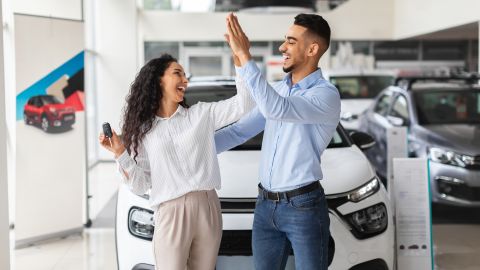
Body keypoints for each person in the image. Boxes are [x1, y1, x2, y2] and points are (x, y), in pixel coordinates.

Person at [99, 54, 254, 270]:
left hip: (207, 205)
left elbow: (244, 105)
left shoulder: (201, 114)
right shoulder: (143, 132)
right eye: (177, 73)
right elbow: (141, 185)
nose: (185, 80)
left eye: (184, 74)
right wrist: (120, 153)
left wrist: (240, 62)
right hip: (171, 211)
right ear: (158, 80)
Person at [215, 13, 341, 270]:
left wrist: (247, 58)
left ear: (312, 49)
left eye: (291, 41)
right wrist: (187, 149)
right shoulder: (279, 90)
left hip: (303, 208)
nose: (282, 47)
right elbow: (239, 131)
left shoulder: (325, 95)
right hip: (264, 206)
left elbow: (278, 109)